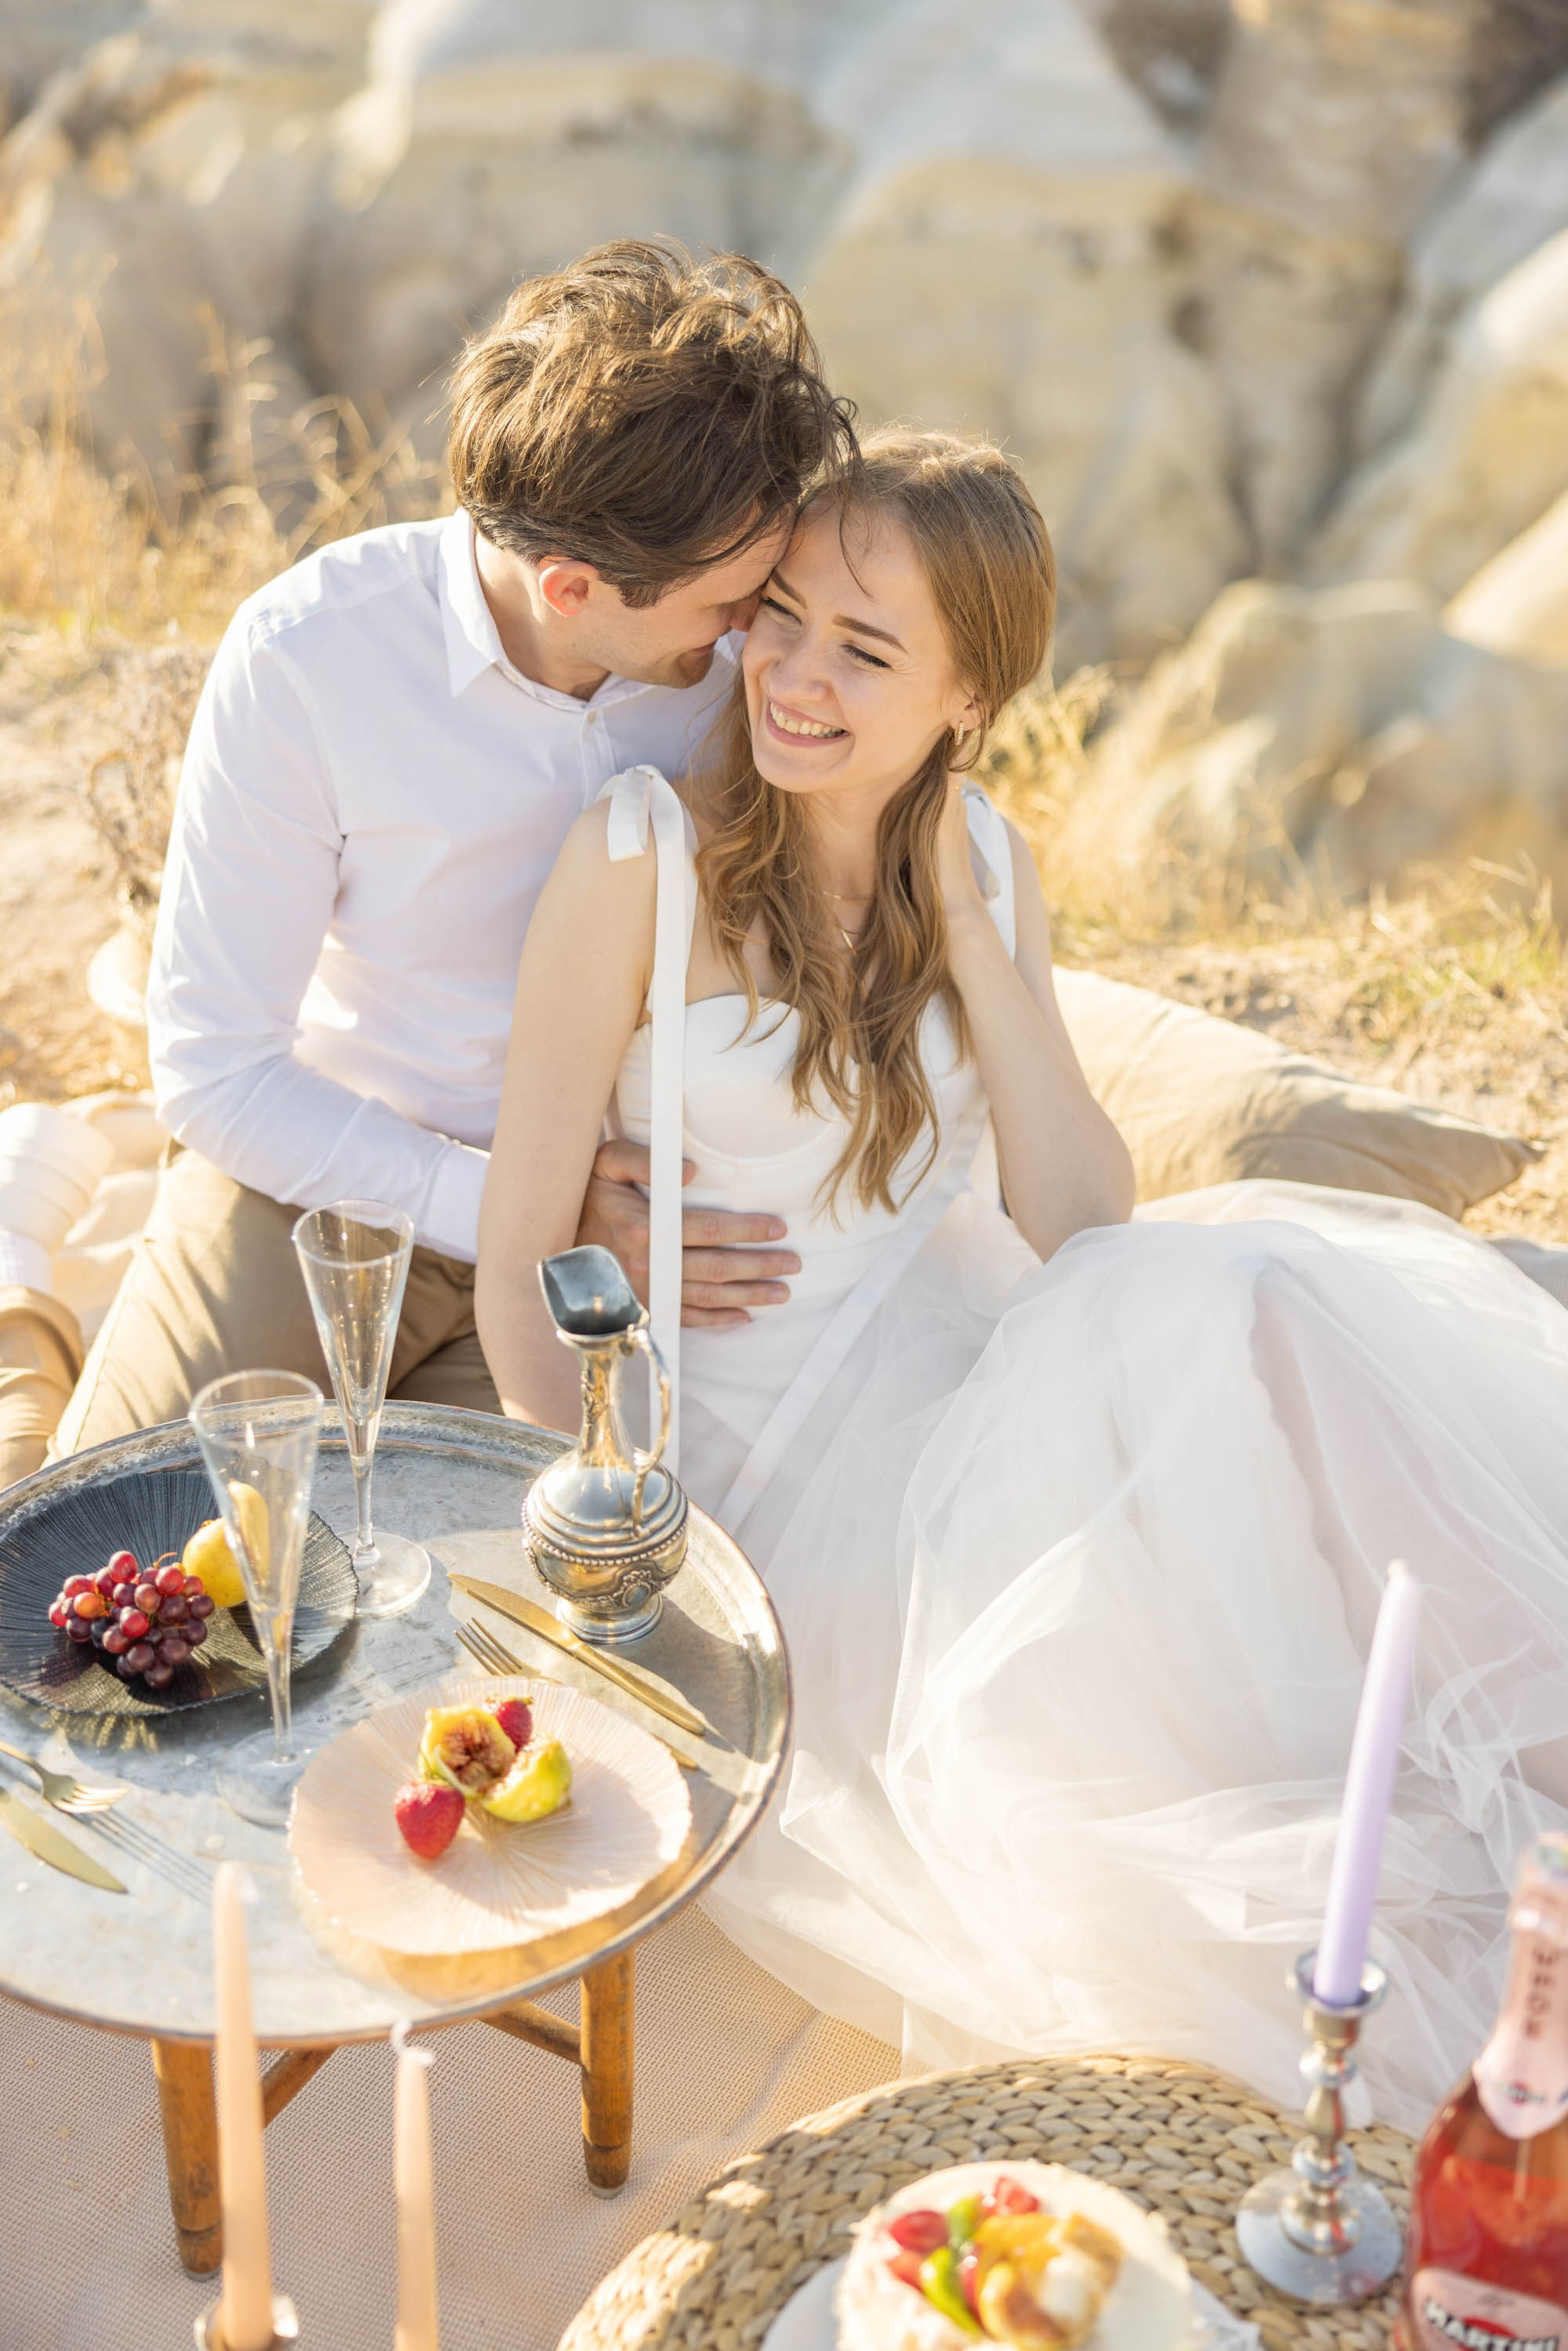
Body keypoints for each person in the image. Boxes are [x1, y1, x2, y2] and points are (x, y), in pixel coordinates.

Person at [476, 428, 1568, 2131]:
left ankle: (1534, 1787)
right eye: (778, 617)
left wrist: (970, 933)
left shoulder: (981, 859)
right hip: (775, 1465)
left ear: (967, 696)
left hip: (988, 1345)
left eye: (864, 649)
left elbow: (1074, 1214)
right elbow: (518, 1263)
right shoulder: (639, 855)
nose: (792, 675)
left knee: (1247, 1298)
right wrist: (613, 1536)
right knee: (1139, 1657)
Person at [45, 238, 855, 1458]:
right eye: (727, 601)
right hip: (319, 1181)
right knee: (95, 1567)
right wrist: (518, 1209)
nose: (757, 628)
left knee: (498, 1612)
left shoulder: (755, 674)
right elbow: (216, 1068)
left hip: (628, 1225)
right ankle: (20, 1297)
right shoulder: (307, 658)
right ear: (574, 587)